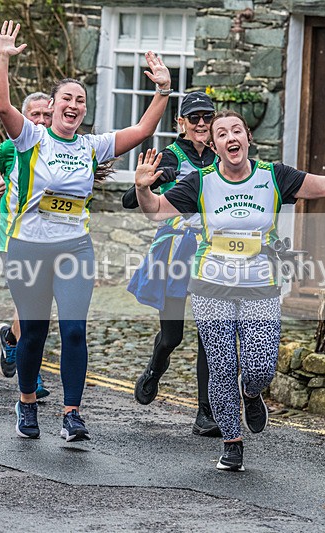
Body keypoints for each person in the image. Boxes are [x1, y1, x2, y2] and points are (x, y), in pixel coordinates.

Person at [134, 109, 325, 471]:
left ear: (247, 138)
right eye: (222, 134)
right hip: (210, 285)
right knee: (220, 366)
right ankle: (232, 442)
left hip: (260, 285)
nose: (231, 137)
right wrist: (142, 187)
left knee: (260, 368)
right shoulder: (199, 182)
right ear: (214, 145)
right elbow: (155, 211)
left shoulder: (273, 176)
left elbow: (324, 186)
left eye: (237, 131)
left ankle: (251, 393)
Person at [0, 20, 173, 441]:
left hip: (74, 247)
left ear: (83, 111)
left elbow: (144, 130)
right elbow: (2, 106)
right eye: (66, 99)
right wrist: (3, 55)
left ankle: (72, 413)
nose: (73, 105)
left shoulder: (93, 146)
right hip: (28, 248)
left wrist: (163, 89)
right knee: (34, 329)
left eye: (80, 101)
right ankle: (27, 404)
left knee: (74, 328)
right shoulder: (31, 138)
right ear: (53, 106)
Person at [121, 91, 220, 437]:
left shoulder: (222, 156)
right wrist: (148, 181)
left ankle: (206, 413)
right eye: (194, 118)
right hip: (176, 251)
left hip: (212, 253)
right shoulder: (171, 156)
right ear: (181, 123)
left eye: (207, 116)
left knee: (211, 335)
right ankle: (155, 366)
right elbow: (130, 201)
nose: (202, 124)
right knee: (174, 335)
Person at [0, 91, 53, 399]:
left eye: (47, 115)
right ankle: (33, 376)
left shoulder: (60, 148)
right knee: (32, 305)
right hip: (13, 236)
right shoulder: (8, 148)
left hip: (50, 239)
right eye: (35, 115)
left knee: (33, 306)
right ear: (24, 116)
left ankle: (12, 342)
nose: (41, 120)